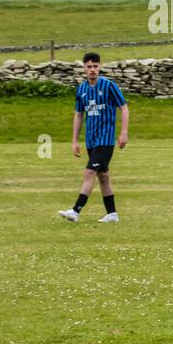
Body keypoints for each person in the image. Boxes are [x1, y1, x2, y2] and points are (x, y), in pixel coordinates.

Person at [59, 53, 128, 223]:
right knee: (103, 177)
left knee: (89, 172)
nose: (92, 70)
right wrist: (75, 141)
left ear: (100, 67)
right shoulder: (81, 89)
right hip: (91, 141)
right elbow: (78, 115)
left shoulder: (109, 86)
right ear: (84, 68)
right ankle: (112, 214)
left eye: (95, 66)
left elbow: (124, 108)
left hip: (105, 140)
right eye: (89, 67)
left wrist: (123, 133)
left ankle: (76, 211)